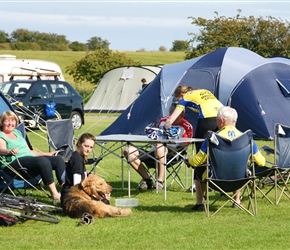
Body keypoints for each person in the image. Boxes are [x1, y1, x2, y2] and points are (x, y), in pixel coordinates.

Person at [186, 106, 266, 211]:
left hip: (216, 180)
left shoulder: (212, 138)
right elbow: (261, 162)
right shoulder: (246, 137)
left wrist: (188, 159)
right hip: (241, 180)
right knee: (238, 166)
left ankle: (200, 203)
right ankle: (237, 200)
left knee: (198, 170)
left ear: (222, 121)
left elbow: (197, 161)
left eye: (216, 120)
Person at [0, 110, 66, 203]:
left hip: (29, 161)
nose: (10, 123)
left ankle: (67, 190)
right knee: (43, 161)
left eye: (13, 120)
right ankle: (55, 195)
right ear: (2, 122)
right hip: (14, 164)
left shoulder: (17, 133)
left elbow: (29, 152)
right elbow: (1, 150)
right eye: (7, 121)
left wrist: (48, 154)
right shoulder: (1, 135)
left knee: (57, 159)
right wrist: (9, 151)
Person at [123, 104, 193, 190]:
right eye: (170, 116)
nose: (170, 120)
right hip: (153, 151)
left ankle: (159, 182)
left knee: (160, 147)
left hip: (171, 155)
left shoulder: (187, 127)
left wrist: (165, 145)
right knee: (127, 150)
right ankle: (147, 180)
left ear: (182, 115)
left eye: (174, 117)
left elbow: (184, 147)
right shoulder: (163, 120)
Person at [164, 86, 224, 152]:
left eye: (178, 100)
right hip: (222, 114)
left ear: (181, 94)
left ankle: (201, 162)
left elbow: (171, 119)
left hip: (208, 116)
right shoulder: (204, 90)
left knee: (200, 143)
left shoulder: (185, 97)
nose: (178, 102)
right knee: (218, 143)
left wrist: (164, 127)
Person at [61, 133, 111, 207]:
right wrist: (95, 197)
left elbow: (63, 176)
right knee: (104, 203)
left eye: (91, 147)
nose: (88, 150)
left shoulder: (76, 156)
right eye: (86, 146)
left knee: (104, 200)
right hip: (74, 199)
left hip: (67, 196)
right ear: (79, 143)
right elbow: (77, 185)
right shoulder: (77, 160)